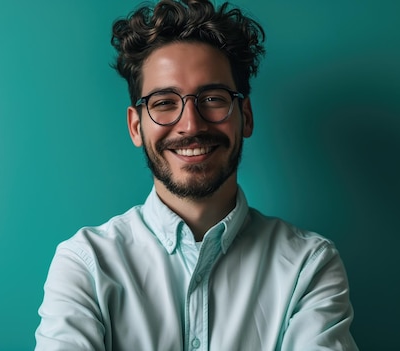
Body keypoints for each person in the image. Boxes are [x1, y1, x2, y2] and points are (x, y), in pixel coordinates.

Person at [35, 0, 358, 350]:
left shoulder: (308, 267)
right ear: (135, 126)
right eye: (163, 103)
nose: (191, 124)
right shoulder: (86, 266)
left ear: (245, 116)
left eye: (213, 98)